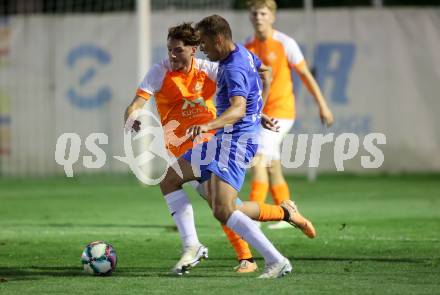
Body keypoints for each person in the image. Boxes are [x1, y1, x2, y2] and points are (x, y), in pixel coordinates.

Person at [124, 23, 313, 276]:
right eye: (169, 49)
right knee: (223, 205)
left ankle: (230, 253)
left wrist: (254, 114)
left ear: (193, 50)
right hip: (185, 146)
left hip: (213, 139)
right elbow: (135, 105)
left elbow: (248, 89)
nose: (172, 55)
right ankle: (283, 214)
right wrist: (132, 117)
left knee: (213, 203)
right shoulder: (160, 71)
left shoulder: (213, 68)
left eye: (178, 50)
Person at [244, 0, 334, 229]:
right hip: (261, 115)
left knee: (259, 161)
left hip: (281, 112)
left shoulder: (285, 43)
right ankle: (287, 212)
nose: (258, 17)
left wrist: (322, 104)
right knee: (271, 164)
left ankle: (254, 216)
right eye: (254, 13)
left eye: (263, 13)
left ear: (272, 17)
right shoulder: (248, 46)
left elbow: (305, 74)